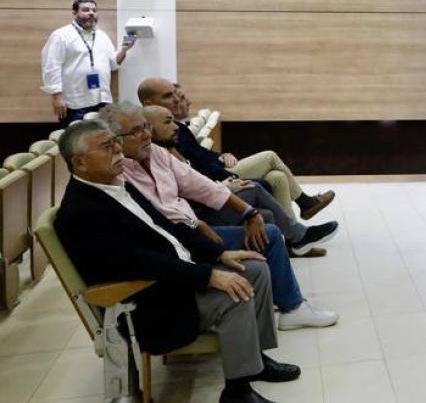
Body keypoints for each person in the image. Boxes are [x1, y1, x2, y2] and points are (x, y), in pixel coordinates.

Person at [54, 118, 299, 403]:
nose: (118, 151)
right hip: (151, 303)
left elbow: (167, 226)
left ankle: (255, 359)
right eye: (107, 147)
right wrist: (208, 276)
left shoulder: (116, 185)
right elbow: (138, 263)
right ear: (80, 163)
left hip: (176, 279)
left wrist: (218, 254)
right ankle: (237, 391)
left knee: (255, 267)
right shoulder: (80, 213)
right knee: (237, 292)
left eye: (116, 142)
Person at [103, 103, 338, 330]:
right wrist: (195, 222)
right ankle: (293, 306)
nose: (146, 135)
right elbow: (155, 219)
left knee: (263, 215)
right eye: (136, 131)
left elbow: (199, 184)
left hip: (194, 224)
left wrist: (250, 213)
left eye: (145, 127)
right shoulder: (118, 174)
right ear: (115, 141)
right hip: (181, 238)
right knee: (272, 232)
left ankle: (283, 291)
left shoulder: (155, 152)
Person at [130, 105, 338, 256]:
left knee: (273, 187)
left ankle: (292, 244)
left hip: (209, 191)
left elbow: (200, 164)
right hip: (196, 216)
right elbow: (177, 199)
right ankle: (299, 232)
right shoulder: (136, 165)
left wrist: (221, 158)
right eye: (167, 121)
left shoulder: (167, 146)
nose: (179, 101)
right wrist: (224, 183)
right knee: (264, 168)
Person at [137, 77, 335, 219]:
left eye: (175, 95)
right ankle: (305, 204)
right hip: (214, 179)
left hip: (217, 169)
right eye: (168, 96)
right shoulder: (159, 135)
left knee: (277, 177)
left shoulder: (175, 126)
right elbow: (195, 167)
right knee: (269, 157)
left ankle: (294, 240)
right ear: (148, 103)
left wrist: (221, 154)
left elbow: (200, 154)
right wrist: (226, 177)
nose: (176, 101)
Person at [41, 0, 136, 123]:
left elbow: (113, 64)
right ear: (74, 13)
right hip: (75, 102)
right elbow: (52, 66)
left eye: (94, 10)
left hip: (102, 100)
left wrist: (124, 50)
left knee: (103, 137)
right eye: (85, 10)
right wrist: (56, 96)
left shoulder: (102, 35)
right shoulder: (61, 35)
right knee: (77, 139)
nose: (91, 13)